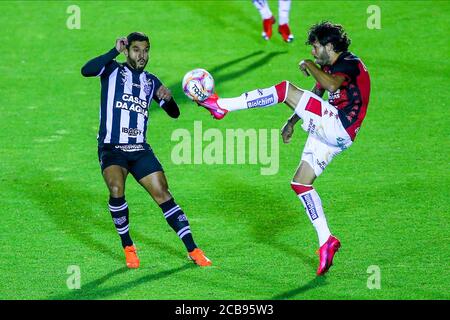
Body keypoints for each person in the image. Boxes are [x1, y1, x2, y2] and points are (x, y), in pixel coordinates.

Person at [198, 22, 370, 275]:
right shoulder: (332, 66)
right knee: (301, 182)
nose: (312, 51)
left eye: (315, 46)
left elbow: (332, 85)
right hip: (337, 133)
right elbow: (318, 92)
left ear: (329, 46)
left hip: (337, 125)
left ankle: (222, 105)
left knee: (285, 89)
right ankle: (326, 240)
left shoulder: (349, 63)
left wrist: (308, 66)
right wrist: (291, 121)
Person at [81, 32, 212, 269]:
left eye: (146, 50)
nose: (142, 55)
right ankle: (128, 246)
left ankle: (193, 249)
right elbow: (86, 70)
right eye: (136, 50)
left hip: (140, 150)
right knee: (116, 188)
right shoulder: (111, 70)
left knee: (163, 193)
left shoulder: (151, 82)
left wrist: (169, 99)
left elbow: (174, 113)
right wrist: (113, 51)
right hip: (112, 148)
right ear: (127, 50)